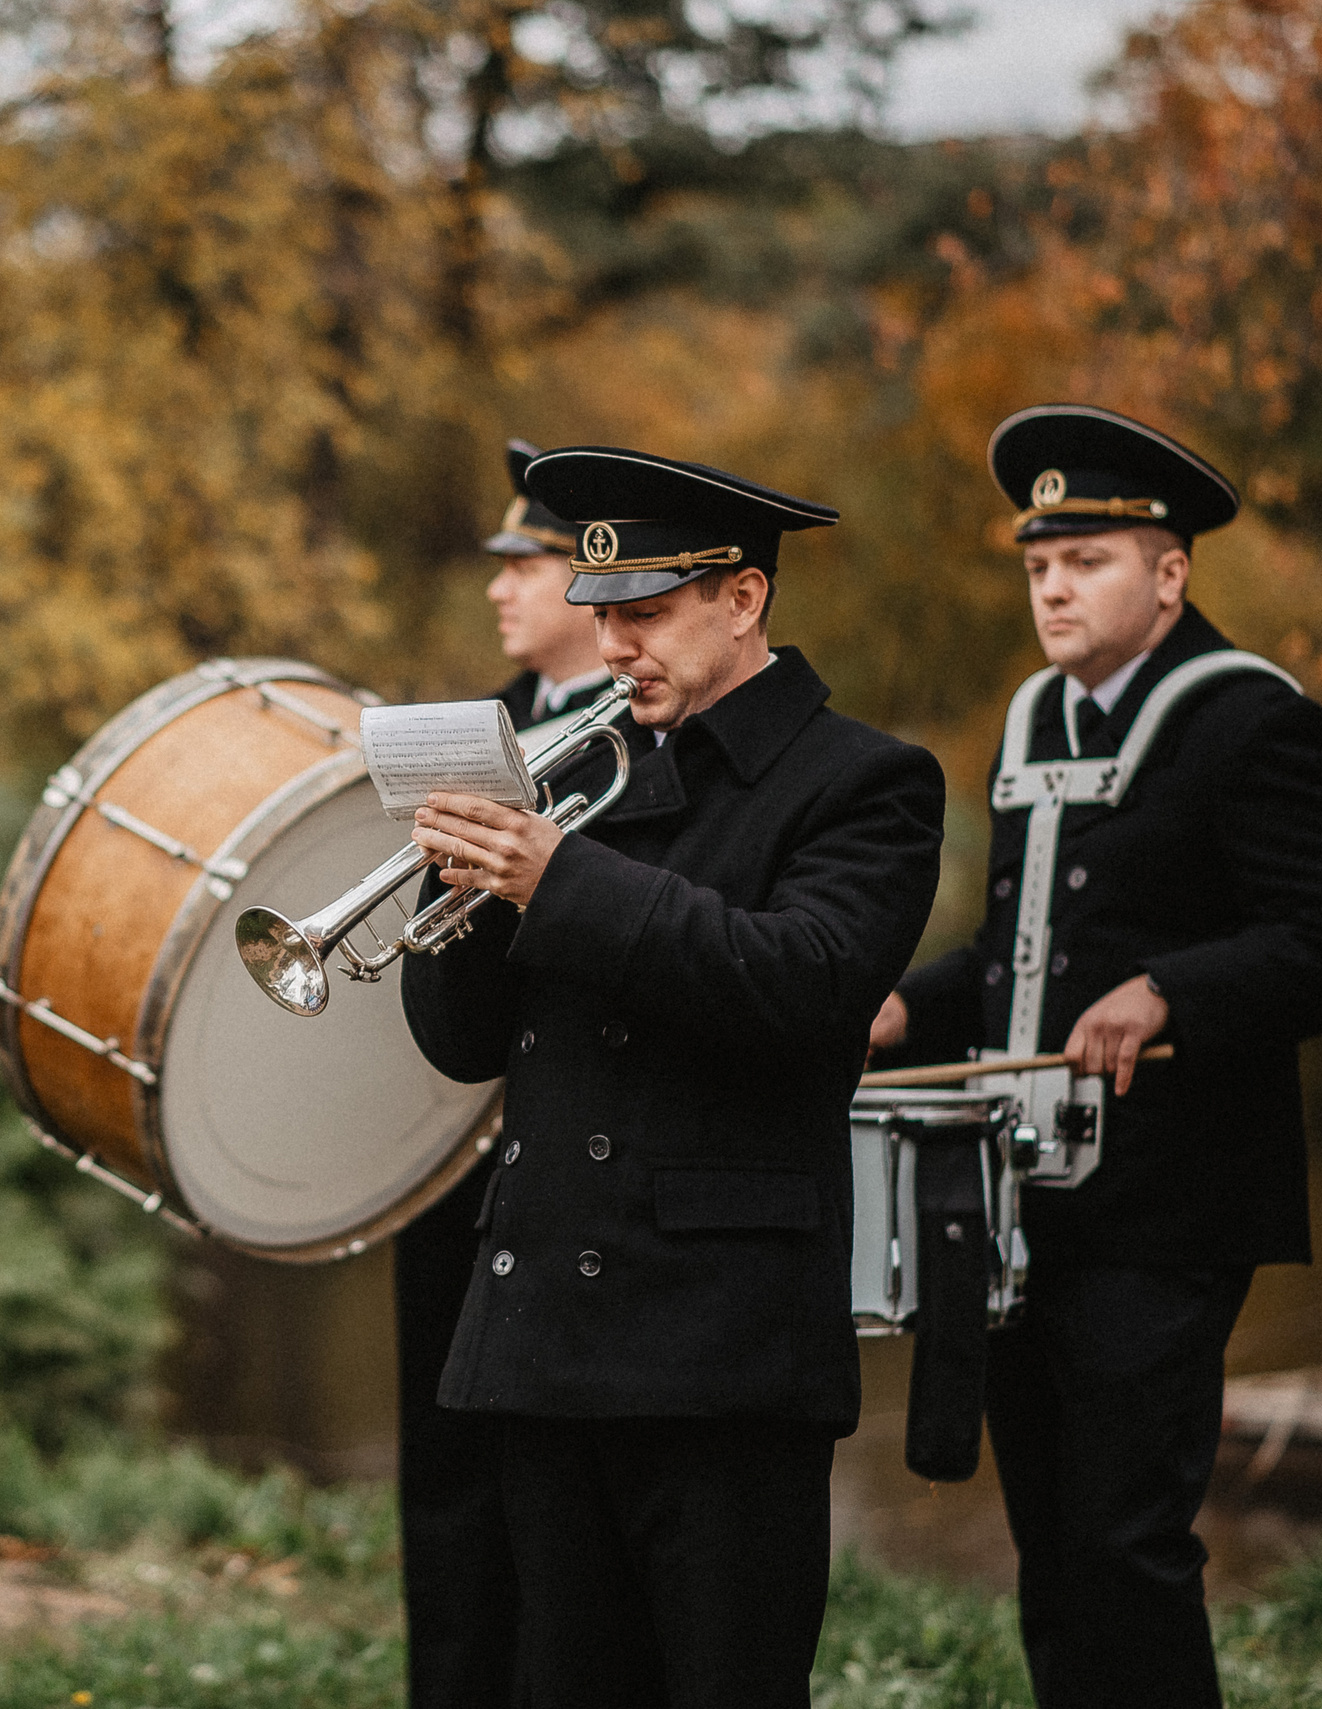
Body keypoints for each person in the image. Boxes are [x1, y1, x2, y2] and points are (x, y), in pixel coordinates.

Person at [400, 446, 946, 1707]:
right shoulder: (578, 775)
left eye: (643, 615)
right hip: (544, 1339)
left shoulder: (862, 781)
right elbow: (461, 1042)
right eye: (602, 617)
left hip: (721, 1345)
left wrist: (556, 879)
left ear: (742, 599)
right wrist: (464, 888)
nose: (614, 648)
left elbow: (802, 987)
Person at [871, 404, 1322, 1708]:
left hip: (1168, 1208)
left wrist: (1170, 992)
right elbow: (1017, 958)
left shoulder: (1253, 722)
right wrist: (901, 1011)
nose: (1053, 584)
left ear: (1170, 574)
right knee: (1050, 1539)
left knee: (1127, 1539)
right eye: (1040, 562)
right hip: (1017, 1208)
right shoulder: (1035, 721)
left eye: (1087, 560)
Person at [392, 438, 608, 1709]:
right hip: (450, 1153)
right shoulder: (468, 733)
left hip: (573, 1155)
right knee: (447, 1481)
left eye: (524, 562)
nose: (498, 588)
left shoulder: (634, 740)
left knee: (560, 1509)